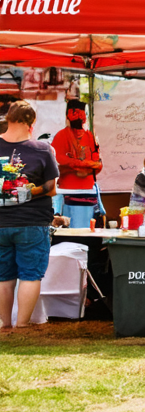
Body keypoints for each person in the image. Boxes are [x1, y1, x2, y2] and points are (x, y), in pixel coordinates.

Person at [0, 101, 60, 331]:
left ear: (9, 119)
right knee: (30, 275)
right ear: (31, 123)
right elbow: (51, 188)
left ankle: (5, 324)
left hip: (1, 223)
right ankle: (22, 325)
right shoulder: (42, 149)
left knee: (3, 277)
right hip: (32, 222)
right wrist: (26, 193)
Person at [50, 100, 102, 229]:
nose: (79, 117)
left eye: (82, 114)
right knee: (71, 232)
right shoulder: (61, 136)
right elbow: (55, 164)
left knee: (85, 231)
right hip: (68, 195)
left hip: (88, 194)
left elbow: (98, 164)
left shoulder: (90, 136)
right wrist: (78, 166)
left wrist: (87, 169)